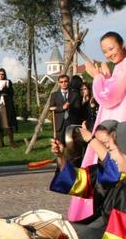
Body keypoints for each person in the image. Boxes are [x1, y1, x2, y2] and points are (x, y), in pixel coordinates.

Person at [82, 32, 126, 167]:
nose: (108, 54)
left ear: (122, 44)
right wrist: (106, 77)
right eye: (105, 51)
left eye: (111, 48)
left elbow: (108, 97)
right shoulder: (120, 66)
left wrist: (97, 76)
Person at [0, 68, 18, 148]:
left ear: (4, 75)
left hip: (7, 105)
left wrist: (6, 88)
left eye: (2, 74)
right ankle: (1, 142)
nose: (1, 75)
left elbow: (12, 93)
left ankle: (12, 142)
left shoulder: (8, 82)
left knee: (9, 123)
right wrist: (0, 90)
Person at [49, 74, 82, 144]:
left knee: (72, 144)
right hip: (59, 124)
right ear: (59, 83)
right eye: (61, 82)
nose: (63, 83)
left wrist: (70, 107)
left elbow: (78, 109)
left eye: (65, 81)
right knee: (60, 144)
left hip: (71, 122)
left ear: (68, 82)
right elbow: (51, 108)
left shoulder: (75, 94)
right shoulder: (54, 95)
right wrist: (62, 108)